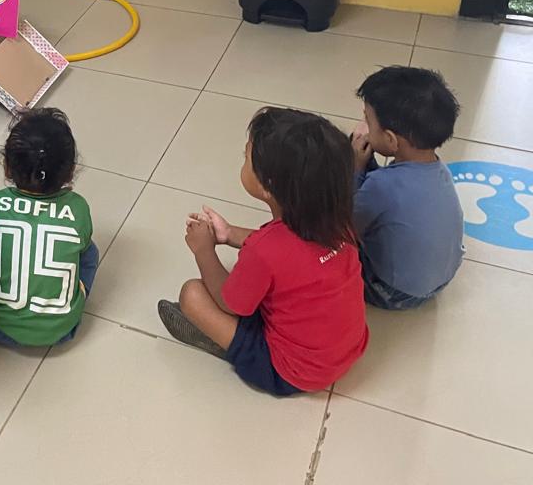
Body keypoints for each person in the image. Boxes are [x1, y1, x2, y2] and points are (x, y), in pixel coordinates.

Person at [157, 108, 368, 396]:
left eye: (246, 156)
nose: (244, 159)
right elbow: (288, 254)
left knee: (192, 294)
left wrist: (203, 251)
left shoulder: (265, 249)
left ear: (268, 186)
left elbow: (229, 303)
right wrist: (229, 233)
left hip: (291, 372)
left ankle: (225, 345)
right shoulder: (337, 222)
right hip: (348, 349)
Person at [0, 108, 98, 346]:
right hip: (62, 331)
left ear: (6, 166)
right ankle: (66, 300)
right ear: (70, 171)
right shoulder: (79, 207)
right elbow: (82, 248)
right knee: (90, 251)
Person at [352, 66, 464, 310]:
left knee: (328, 239)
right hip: (441, 280)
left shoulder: (381, 186)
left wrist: (357, 169)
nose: (364, 126)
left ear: (391, 139)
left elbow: (348, 225)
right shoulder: (440, 170)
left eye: (368, 120)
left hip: (392, 292)